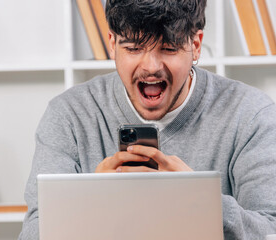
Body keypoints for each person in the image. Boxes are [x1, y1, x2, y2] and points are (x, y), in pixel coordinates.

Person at [19, 0, 276, 239]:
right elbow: (33, 232)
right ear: (112, 44)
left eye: (168, 48)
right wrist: (90, 202)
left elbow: (270, 229)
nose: (151, 66)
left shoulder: (251, 114)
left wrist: (201, 200)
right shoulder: (69, 115)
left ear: (195, 46)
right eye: (134, 48)